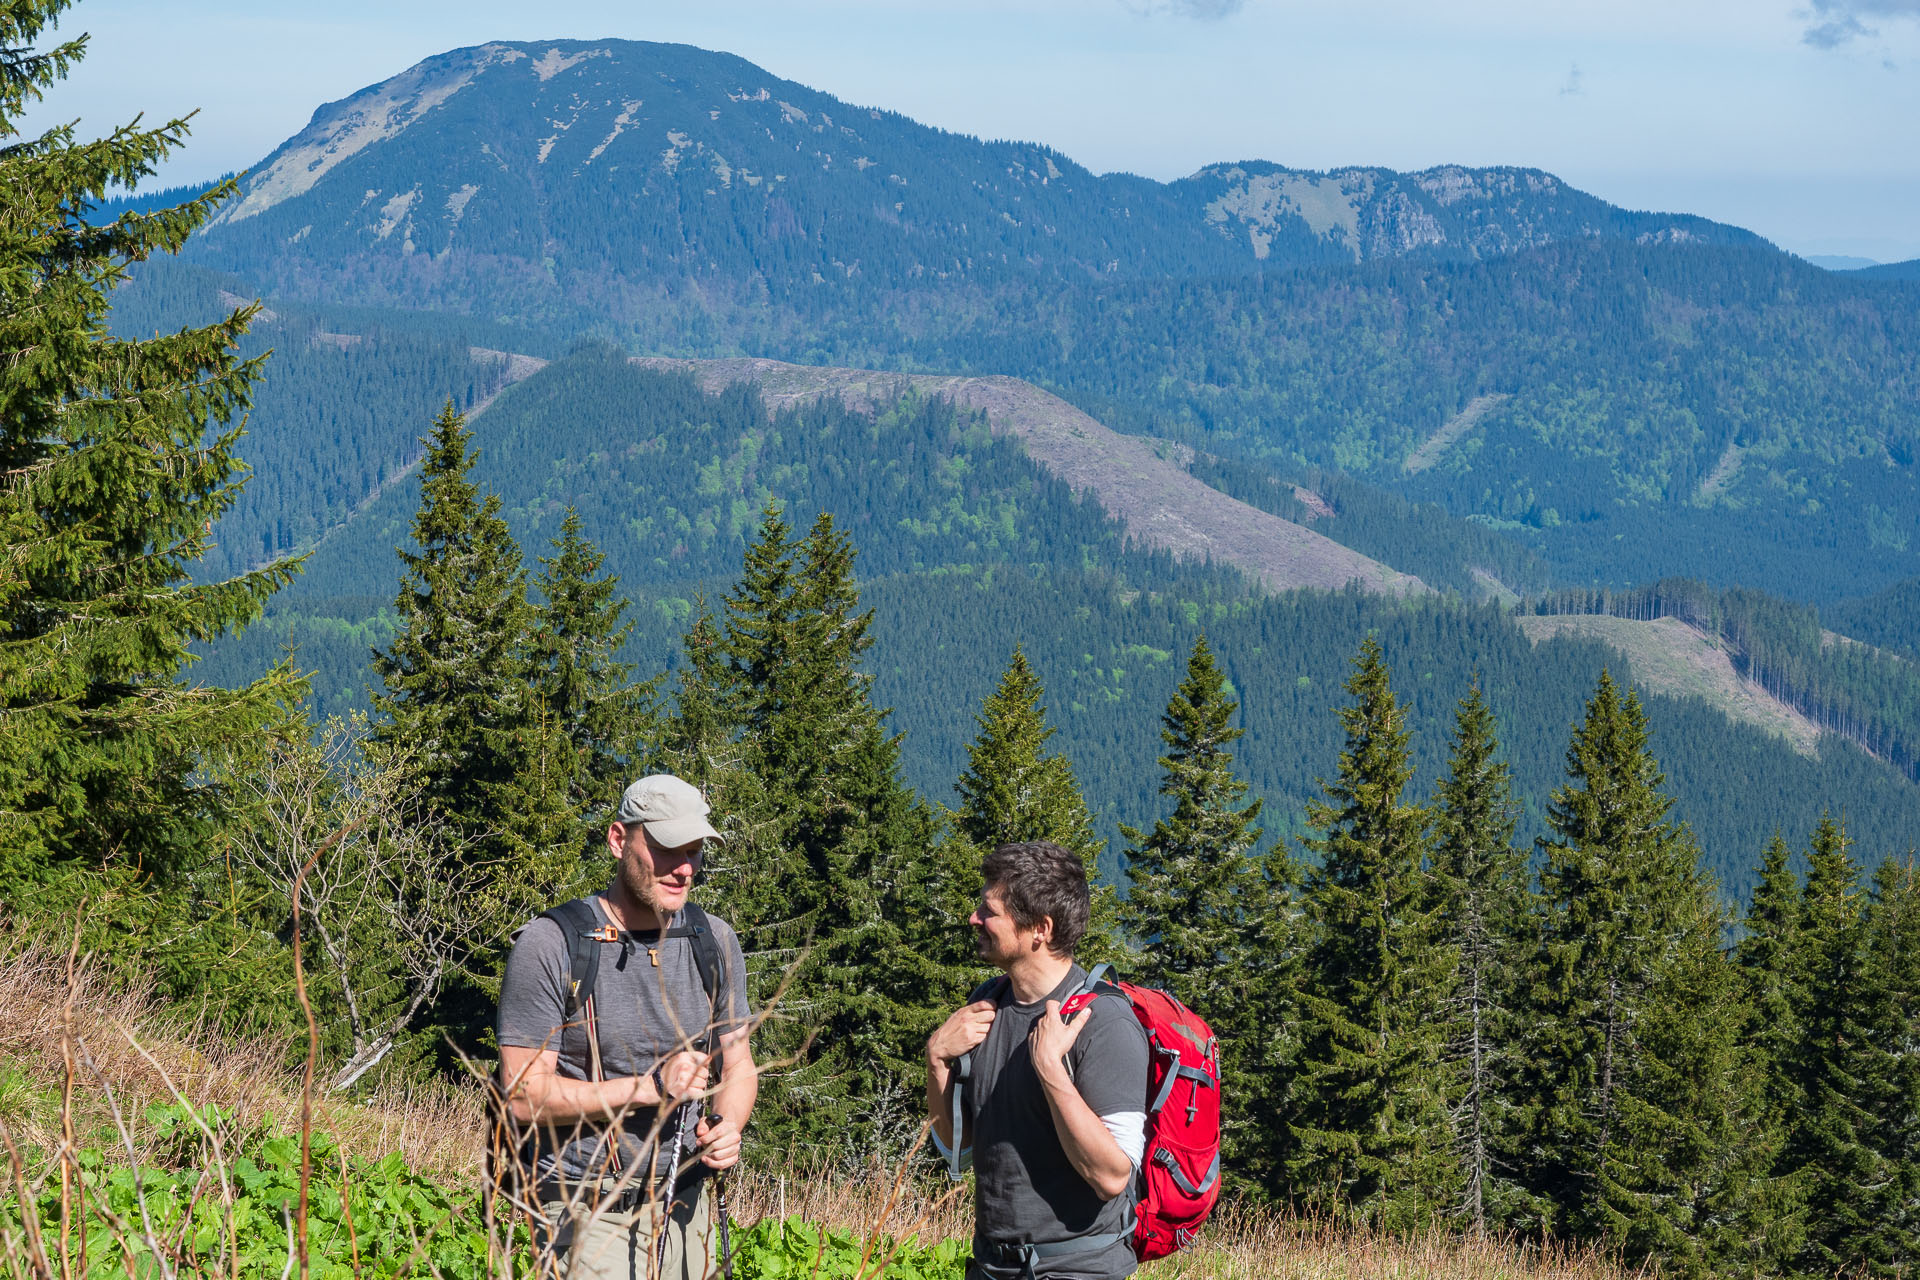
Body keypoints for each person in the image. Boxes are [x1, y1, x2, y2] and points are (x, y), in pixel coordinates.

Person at [498, 774, 758, 1280]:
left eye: (695, 851)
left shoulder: (714, 941)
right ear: (619, 840)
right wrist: (649, 1088)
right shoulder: (553, 944)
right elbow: (520, 1095)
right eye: (665, 850)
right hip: (583, 1209)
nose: (684, 869)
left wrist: (728, 1127)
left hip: (688, 1208)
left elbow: (740, 1062)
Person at [926, 841, 1151, 1280]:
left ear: (1040, 930)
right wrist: (936, 1059)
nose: (975, 918)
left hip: (1077, 1268)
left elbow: (1111, 1177)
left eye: (989, 911)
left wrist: (1050, 1071)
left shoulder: (1103, 1021)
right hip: (992, 1265)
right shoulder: (985, 1006)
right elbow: (959, 1153)